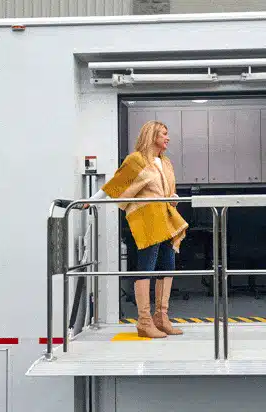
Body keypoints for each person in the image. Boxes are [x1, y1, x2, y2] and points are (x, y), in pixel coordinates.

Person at [86, 121, 188, 339]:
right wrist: (91, 201)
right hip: (148, 220)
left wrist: (174, 198)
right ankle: (144, 321)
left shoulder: (166, 162)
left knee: (167, 265)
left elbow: (168, 190)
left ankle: (161, 317)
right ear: (152, 136)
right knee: (147, 266)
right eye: (164, 134)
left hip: (167, 219)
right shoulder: (136, 159)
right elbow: (114, 184)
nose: (167, 138)